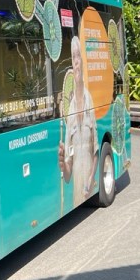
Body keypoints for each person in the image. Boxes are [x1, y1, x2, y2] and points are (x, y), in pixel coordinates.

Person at [58, 36, 98, 206]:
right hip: (77, 197)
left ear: (82, 61)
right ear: (72, 66)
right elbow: (67, 176)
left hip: (89, 189)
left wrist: (90, 181)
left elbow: (96, 150)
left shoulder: (90, 101)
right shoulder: (70, 113)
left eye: (78, 57)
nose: (77, 62)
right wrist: (62, 164)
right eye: (73, 58)